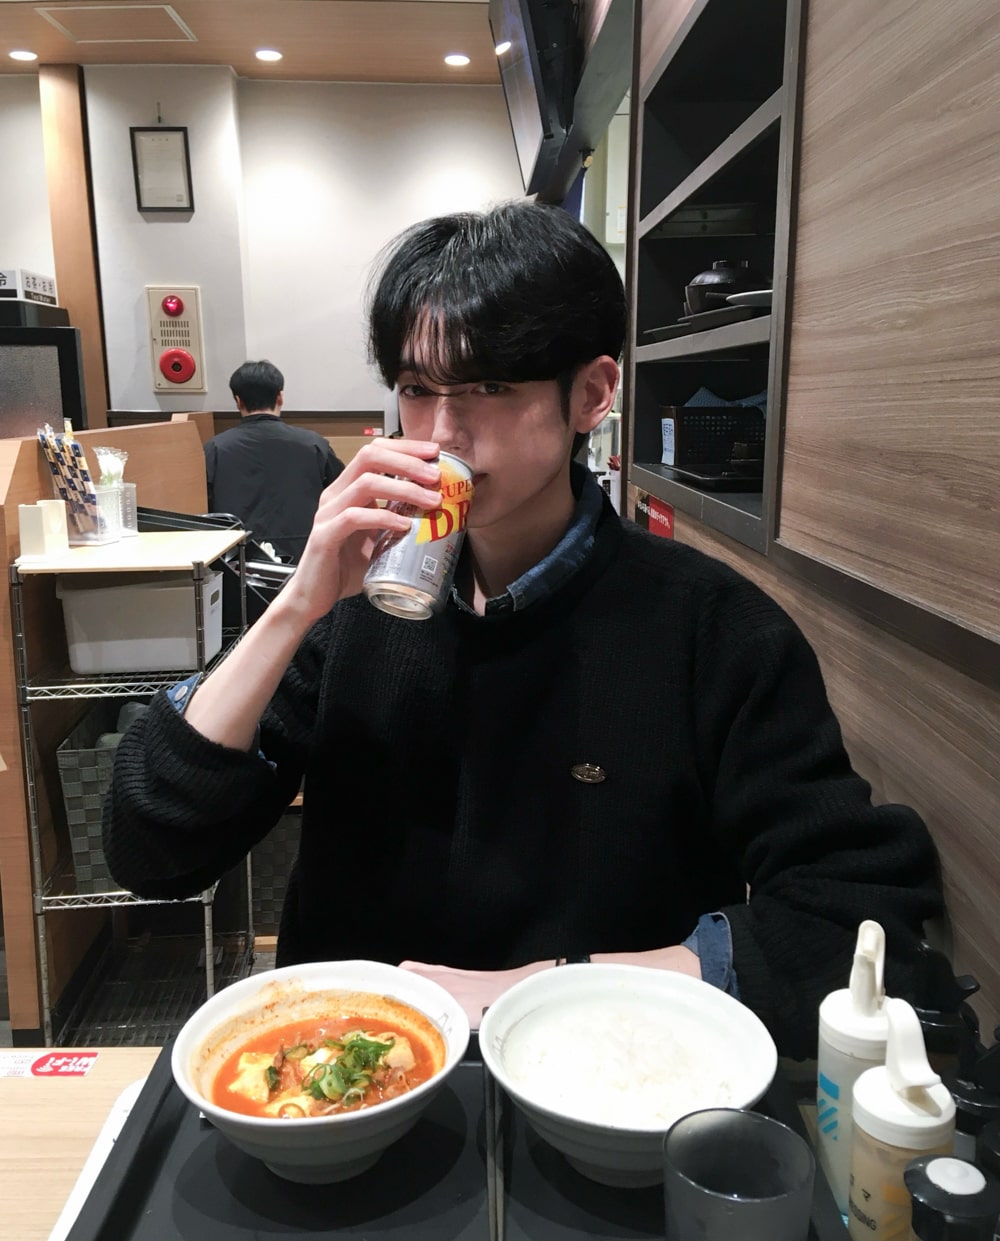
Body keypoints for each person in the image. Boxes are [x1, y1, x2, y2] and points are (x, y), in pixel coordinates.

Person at [104, 203, 942, 1058]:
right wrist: (295, 607)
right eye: (416, 390)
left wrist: (551, 987)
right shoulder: (352, 612)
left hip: (600, 1082)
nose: (440, 434)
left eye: (489, 387)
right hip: (344, 1082)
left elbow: (858, 917)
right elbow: (150, 847)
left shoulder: (713, 629)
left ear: (592, 394)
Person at [204, 359, 344, 563]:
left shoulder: (214, 449)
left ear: (238, 401)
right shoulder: (314, 444)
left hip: (237, 561)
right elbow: (342, 493)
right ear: (280, 397)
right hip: (306, 558)